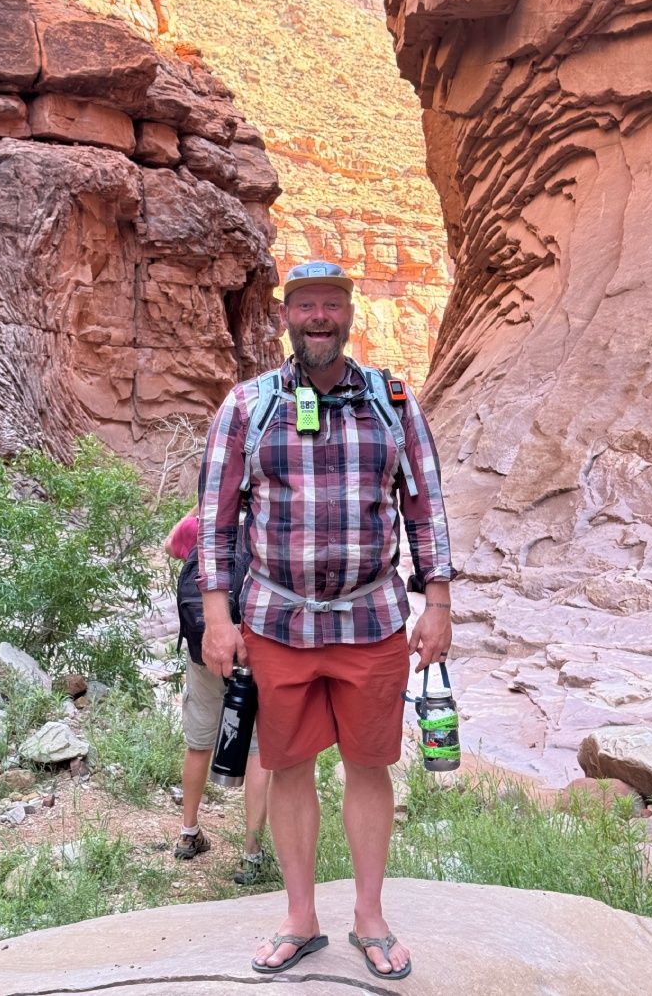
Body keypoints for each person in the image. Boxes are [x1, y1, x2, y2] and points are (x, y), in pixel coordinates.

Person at [197, 260, 456, 980]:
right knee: (288, 767)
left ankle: (369, 917)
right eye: (305, 304)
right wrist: (218, 618)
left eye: (331, 305)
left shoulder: (392, 400)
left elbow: (426, 506)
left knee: (369, 766)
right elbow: (215, 524)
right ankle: (301, 917)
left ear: (349, 315)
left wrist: (437, 601)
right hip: (278, 623)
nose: (319, 317)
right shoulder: (247, 406)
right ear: (286, 316)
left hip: (371, 619)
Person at [165, 505, 271, 885]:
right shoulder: (268, 526)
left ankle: (188, 833)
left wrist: (202, 507)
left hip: (205, 648)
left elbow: (169, 543)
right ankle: (251, 854)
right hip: (251, 650)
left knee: (199, 743)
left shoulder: (206, 528)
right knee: (259, 750)